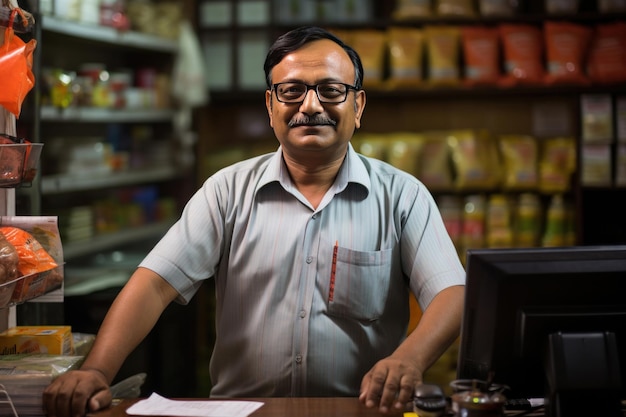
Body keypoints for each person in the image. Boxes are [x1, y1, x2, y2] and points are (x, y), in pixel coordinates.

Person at [43, 26, 465, 417]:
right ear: (270, 105)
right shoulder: (227, 191)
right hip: (243, 412)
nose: (311, 105)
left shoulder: (401, 195)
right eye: (292, 91)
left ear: (358, 105)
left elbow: (451, 292)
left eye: (332, 90)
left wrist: (408, 360)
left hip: (360, 410)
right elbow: (154, 284)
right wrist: (97, 370)